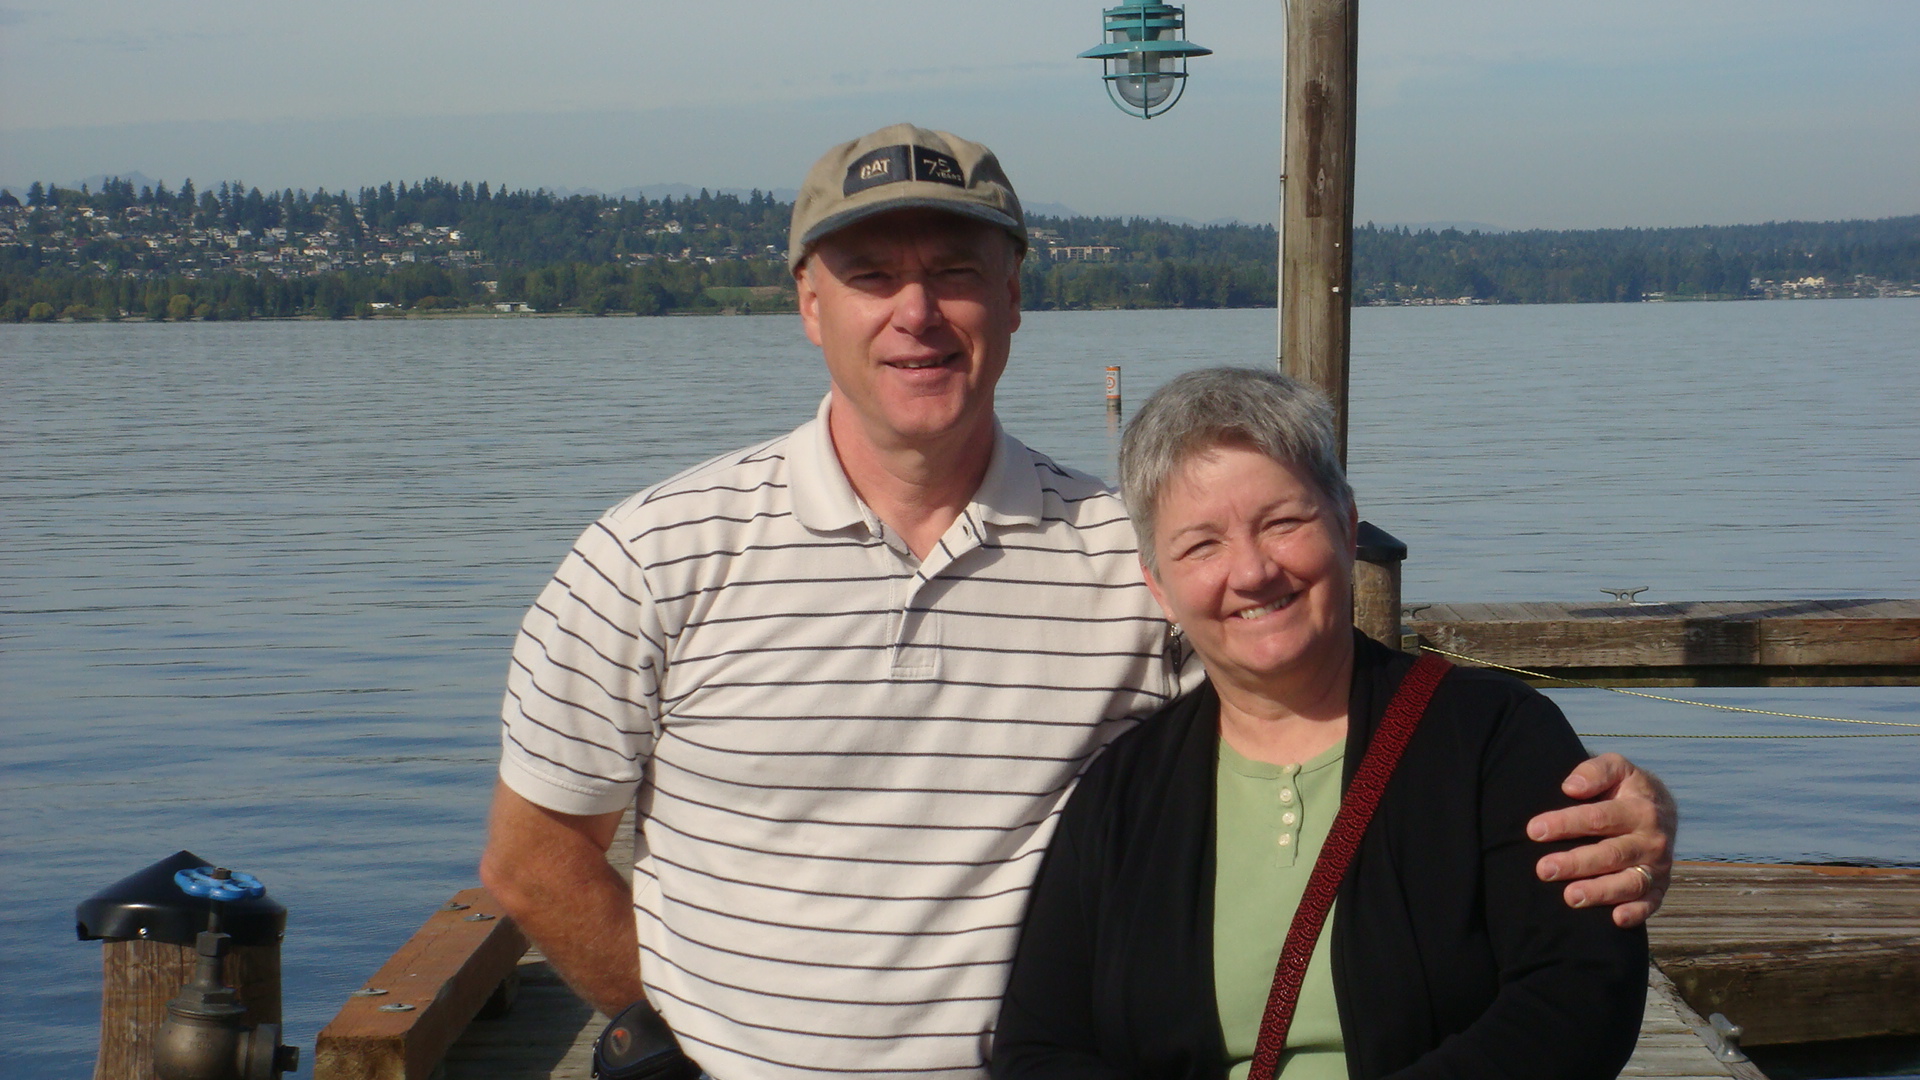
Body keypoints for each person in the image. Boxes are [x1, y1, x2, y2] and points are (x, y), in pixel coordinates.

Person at [479, 124, 1675, 1080]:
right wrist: (675, 1032)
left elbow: (1322, 713)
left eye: (957, 272)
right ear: (808, 303)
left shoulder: (1126, 553)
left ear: (1013, 296)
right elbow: (536, 860)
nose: (918, 312)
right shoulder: (655, 555)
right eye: (872, 276)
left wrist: (1616, 811)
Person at [992, 368, 1650, 1080]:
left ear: (1345, 527)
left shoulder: (1495, 738)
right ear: (1160, 586)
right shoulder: (1121, 791)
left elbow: (1579, 997)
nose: (1251, 571)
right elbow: (1036, 1051)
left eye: (1282, 522)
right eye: (1201, 545)